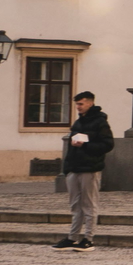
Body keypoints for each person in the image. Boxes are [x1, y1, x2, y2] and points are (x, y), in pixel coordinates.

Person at [55, 91, 115, 250]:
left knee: (89, 204)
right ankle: (72, 237)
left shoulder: (100, 122)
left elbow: (108, 145)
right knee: (75, 205)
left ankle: (88, 238)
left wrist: (86, 145)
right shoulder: (78, 122)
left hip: (90, 167)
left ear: (90, 103)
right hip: (74, 167)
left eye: (80, 104)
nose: (78, 107)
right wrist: (67, 168)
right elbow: (70, 146)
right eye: (77, 104)